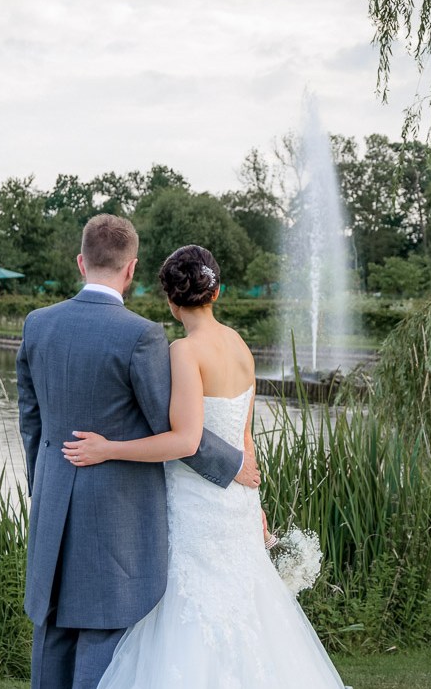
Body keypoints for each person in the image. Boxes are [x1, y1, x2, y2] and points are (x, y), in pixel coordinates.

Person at [62, 244, 346, 688]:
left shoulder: (184, 351)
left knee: (187, 611)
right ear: (217, 292)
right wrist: (255, 505)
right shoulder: (238, 344)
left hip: (195, 506)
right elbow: (245, 440)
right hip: (235, 503)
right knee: (247, 612)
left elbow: (185, 440)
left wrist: (108, 448)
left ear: (171, 301)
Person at [17, 216, 261, 689]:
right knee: (103, 634)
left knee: (53, 634)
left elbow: (31, 422)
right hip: (116, 516)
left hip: (53, 504)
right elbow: (167, 425)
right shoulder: (142, 336)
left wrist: (45, 488)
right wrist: (233, 464)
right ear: (131, 270)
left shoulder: (37, 325)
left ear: (81, 262)